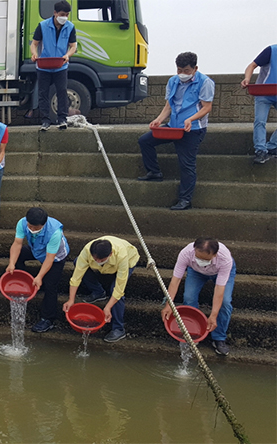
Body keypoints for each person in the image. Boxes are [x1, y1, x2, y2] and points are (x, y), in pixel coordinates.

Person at [137, 52, 215, 211]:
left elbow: (207, 107)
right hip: (173, 126)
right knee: (145, 140)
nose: (182, 74)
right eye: (179, 70)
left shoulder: (205, 82)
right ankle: (154, 172)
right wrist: (159, 119)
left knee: (186, 164)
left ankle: (185, 200)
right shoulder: (173, 81)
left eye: (186, 71)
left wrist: (191, 119)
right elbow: (169, 105)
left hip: (193, 129)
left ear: (195, 68)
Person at [161, 238, 235, 356]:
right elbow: (175, 280)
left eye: (205, 259)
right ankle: (193, 333)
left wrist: (213, 315)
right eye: (198, 257)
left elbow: (219, 290)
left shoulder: (225, 259)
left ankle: (219, 338)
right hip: (195, 272)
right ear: (194, 249)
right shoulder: (186, 253)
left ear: (215, 255)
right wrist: (168, 304)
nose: (201, 260)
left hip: (220, 272)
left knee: (225, 302)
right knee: (189, 297)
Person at [63, 236, 139, 343]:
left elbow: (119, 289)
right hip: (105, 265)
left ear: (110, 254)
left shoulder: (122, 256)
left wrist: (107, 307)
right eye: (95, 259)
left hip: (127, 261)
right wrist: (71, 300)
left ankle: (118, 328)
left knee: (114, 290)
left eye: (101, 260)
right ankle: (98, 292)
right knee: (77, 262)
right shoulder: (87, 250)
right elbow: (76, 278)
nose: (98, 261)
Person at [5, 207, 69, 333]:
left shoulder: (54, 232)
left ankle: (47, 319)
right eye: (30, 226)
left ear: (43, 225)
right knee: (18, 255)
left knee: (50, 285)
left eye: (36, 228)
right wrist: (11, 263)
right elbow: (17, 243)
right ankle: (21, 280)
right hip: (36, 249)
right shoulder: (22, 222)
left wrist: (39, 276)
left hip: (55, 256)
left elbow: (49, 259)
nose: (32, 229)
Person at [30, 0, 77, 131]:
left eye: (67, 15)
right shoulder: (43, 25)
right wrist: (34, 54)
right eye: (62, 14)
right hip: (43, 65)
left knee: (62, 92)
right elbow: (34, 43)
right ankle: (45, 120)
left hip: (61, 65)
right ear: (55, 13)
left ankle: (62, 119)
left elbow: (73, 46)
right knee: (43, 93)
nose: (65, 17)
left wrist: (67, 55)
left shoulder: (70, 27)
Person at [241, 44, 277, 164]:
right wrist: (247, 78)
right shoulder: (271, 50)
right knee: (260, 121)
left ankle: (272, 145)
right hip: (264, 92)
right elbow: (252, 66)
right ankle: (260, 150)